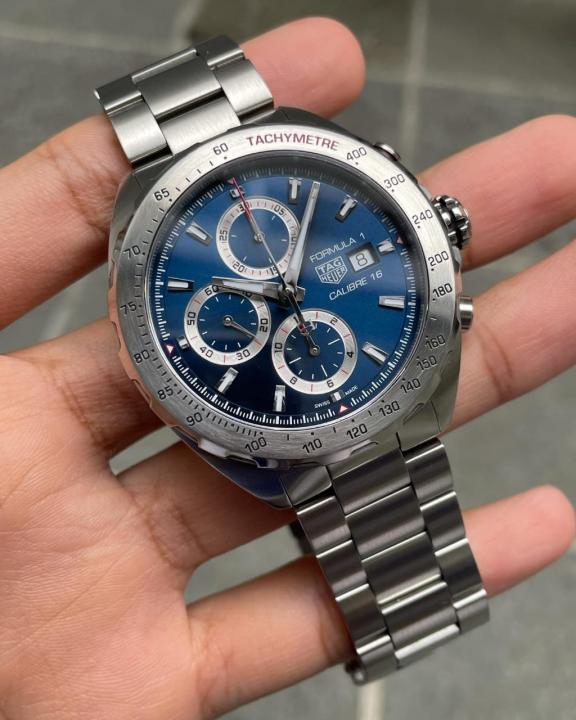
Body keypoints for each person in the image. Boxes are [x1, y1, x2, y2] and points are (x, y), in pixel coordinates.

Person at [0, 17, 574, 720]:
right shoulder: (164, 303)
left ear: (441, 222)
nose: (286, 289)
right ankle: (389, 614)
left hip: (363, 400)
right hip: (286, 420)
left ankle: (393, 614)